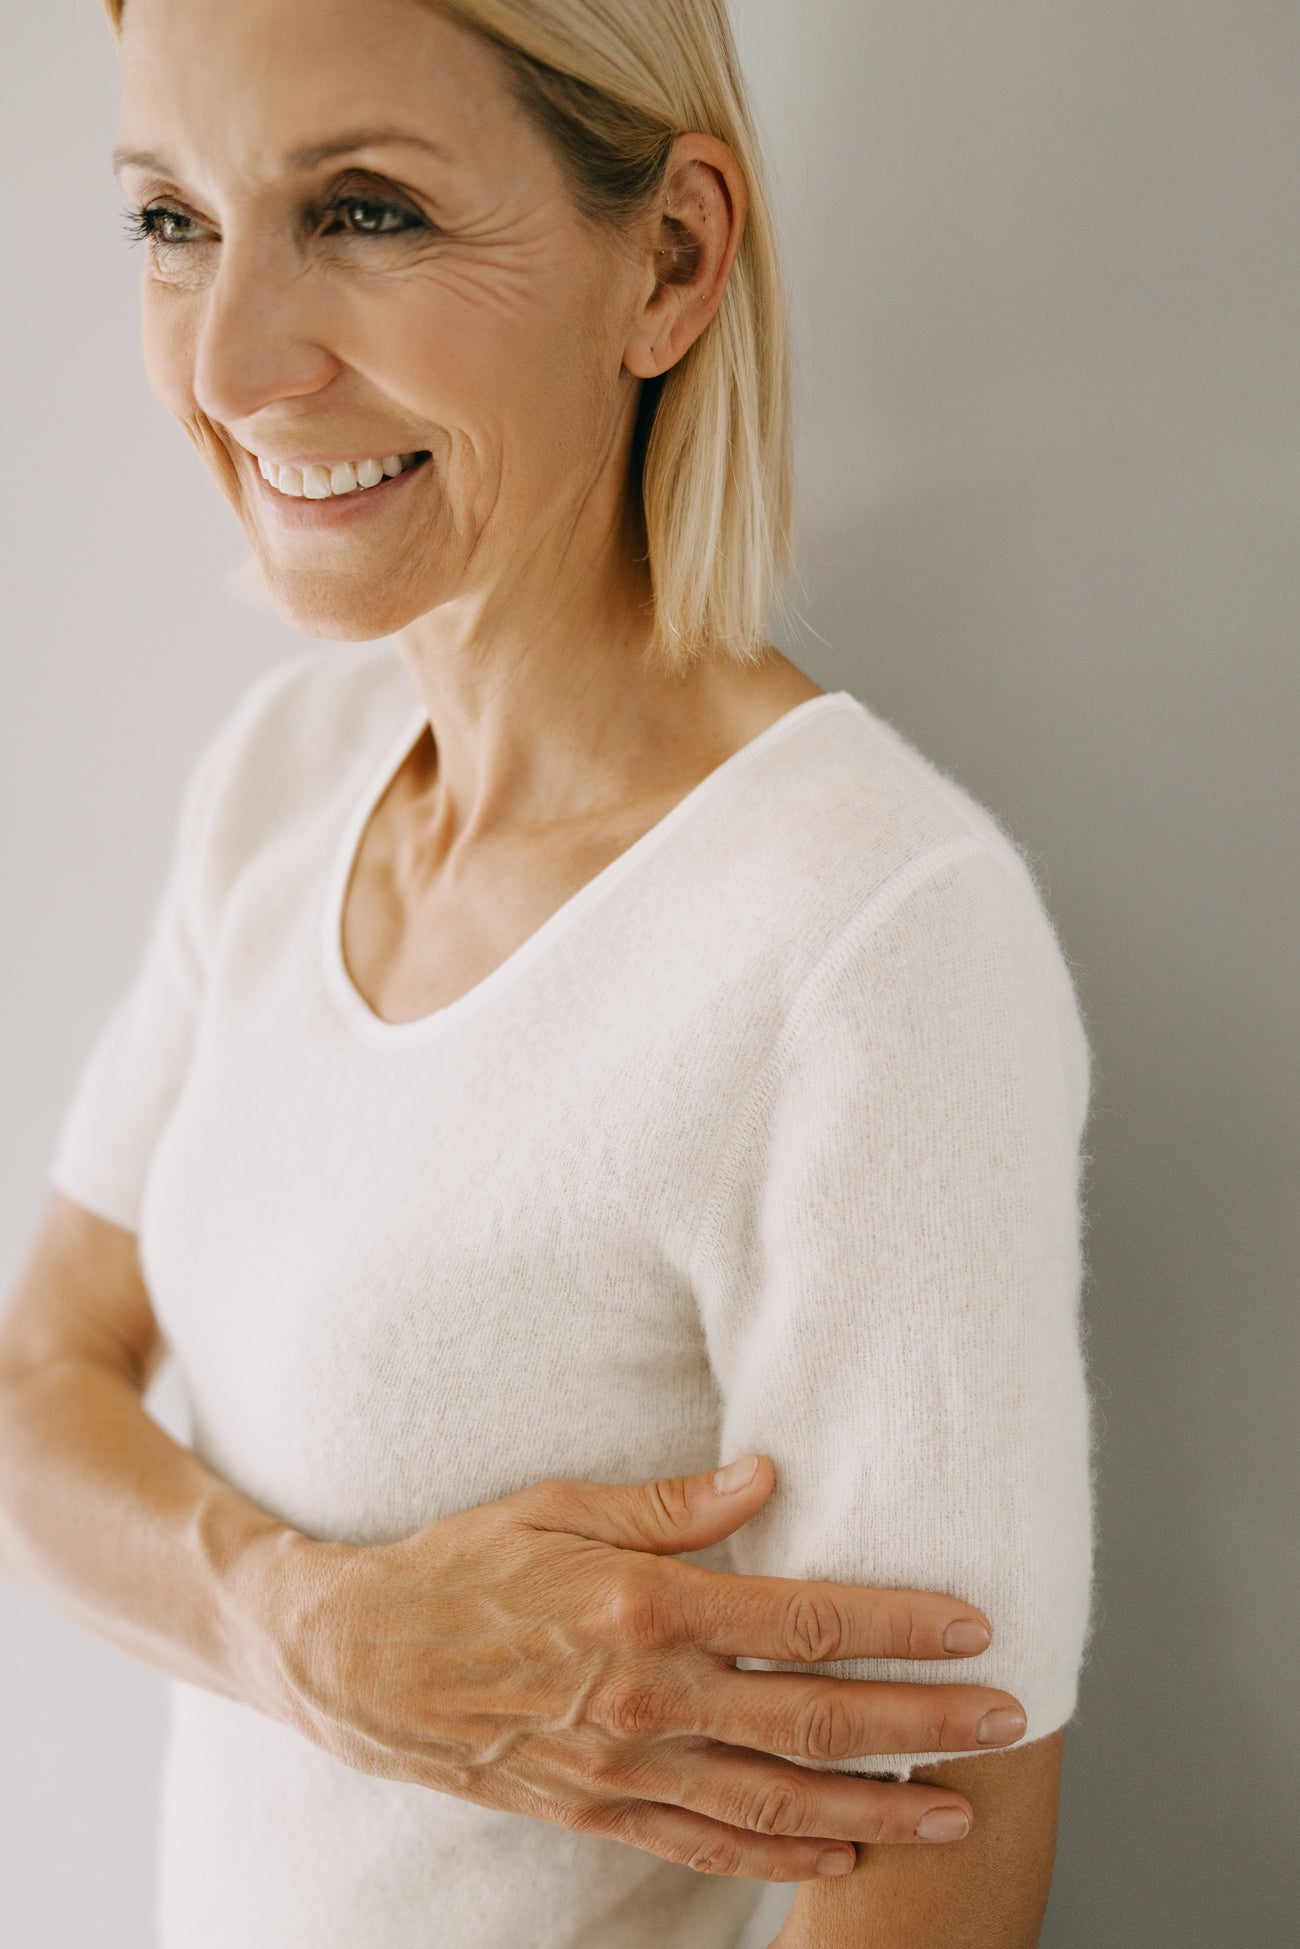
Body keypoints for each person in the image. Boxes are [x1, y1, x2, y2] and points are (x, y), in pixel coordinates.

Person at [0, 0, 1093, 1944]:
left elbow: (934, 1857)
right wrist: (295, 1625)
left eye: (361, 210)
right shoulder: (282, 781)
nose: (234, 363)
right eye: (171, 220)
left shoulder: (866, 942)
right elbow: (35, 1384)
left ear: (666, 258)